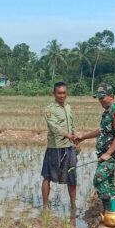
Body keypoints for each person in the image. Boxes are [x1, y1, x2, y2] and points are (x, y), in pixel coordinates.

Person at [76, 83, 115, 217]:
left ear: (111, 96)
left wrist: (108, 153)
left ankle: (108, 210)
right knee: (109, 183)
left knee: (98, 179)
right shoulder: (107, 112)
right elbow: (101, 131)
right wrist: (83, 137)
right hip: (104, 154)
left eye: (102, 97)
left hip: (111, 155)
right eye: (99, 98)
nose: (100, 101)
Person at [41, 81, 78, 209]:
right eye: (59, 93)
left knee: (72, 176)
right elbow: (53, 126)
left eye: (64, 93)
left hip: (69, 147)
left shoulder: (68, 107)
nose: (62, 95)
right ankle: (45, 205)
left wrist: (75, 140)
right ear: (54, 93)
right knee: (47, 176)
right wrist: (67, 135)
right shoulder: (49, 109)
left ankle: (73, 204)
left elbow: (72, 125)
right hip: (55, 148)